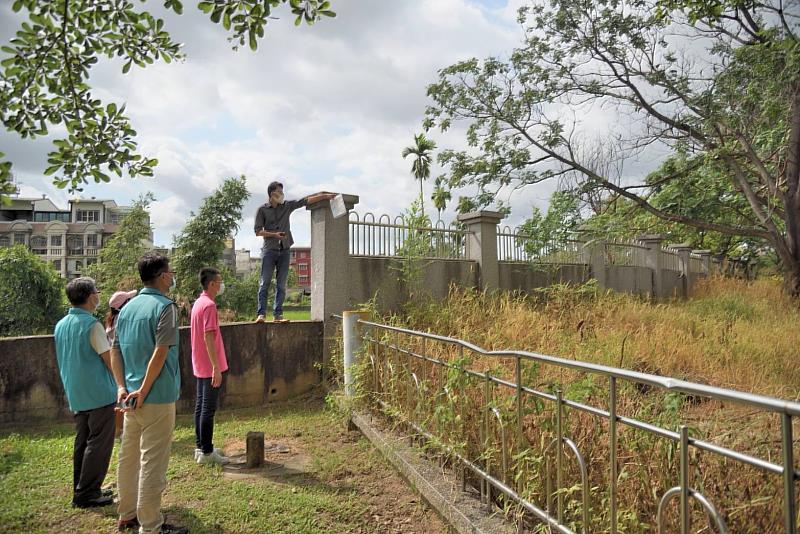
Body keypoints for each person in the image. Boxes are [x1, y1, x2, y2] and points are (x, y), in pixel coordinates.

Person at [110, 253, 187, 534]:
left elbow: (115, 350)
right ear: (163, 276)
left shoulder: (127, 309)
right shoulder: (166, 307)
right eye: (171, 272)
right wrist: (144, 389)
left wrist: (122, 387)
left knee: (129, 458)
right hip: (156, 396)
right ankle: (151, 525)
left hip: (130, 399)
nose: (172, 277)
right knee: (152, 462)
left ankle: (127, 514)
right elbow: (161, 351)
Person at [54, 277, 118, 509]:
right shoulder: (92, 325)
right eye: (96, 292)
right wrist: (122, 385)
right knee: (99, 444)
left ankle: (82, 488)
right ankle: (88, 493)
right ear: (91, 296)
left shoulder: (61, 325)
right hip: (100, 393)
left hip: (77, 393)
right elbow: (110, 360)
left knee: (83, 442)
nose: (98, 295)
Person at [253, 181, 335, 322]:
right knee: (264, 283)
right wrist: (274, 235)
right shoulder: (262, 210)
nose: (282, 194)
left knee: (281, 284)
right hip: (269, 250)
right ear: (272, 194)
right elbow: (258, 231)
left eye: (282, 192)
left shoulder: (287, 206)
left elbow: (305, 200)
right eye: (279, 192)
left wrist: (325, 195)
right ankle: (261, 314)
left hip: (285, 250)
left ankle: (278, 315)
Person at [191, 267, 230, 465]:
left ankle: (201, 447)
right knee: (208, 408)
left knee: (200, 406)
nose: (221, 285)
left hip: (200, 363)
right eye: (220, 282)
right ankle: (207, 452)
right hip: (209, 365)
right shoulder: (209, 306)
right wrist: (216, 367)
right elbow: (208, 336)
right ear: (212, 284)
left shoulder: (198, 303)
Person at [105, 289, 138, 439]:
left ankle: (120, 430)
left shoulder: (111, 321)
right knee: (126, 398)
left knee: (122, 399)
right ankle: (125, 431)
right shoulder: (121, 321)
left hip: (118, 365)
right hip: (124, 364)